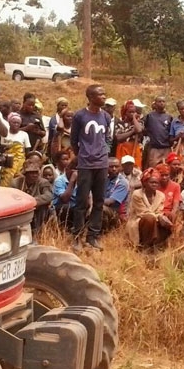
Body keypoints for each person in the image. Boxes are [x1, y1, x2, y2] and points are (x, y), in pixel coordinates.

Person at [69, 84, 112, 251]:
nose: (104, 97)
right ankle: (77, 237)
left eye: (104, 94)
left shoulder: (106, 116)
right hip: (86, 164)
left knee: (99, 202)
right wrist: (83, 154)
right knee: (81, 202)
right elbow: (74, 141)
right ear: (91, 97)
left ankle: (93, 236)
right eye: (100, 94)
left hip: (102, 164)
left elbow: (108, 137)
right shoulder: (80, 116)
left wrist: (104, 152)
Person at [126, 168, 171, 251]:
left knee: (169, 216)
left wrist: (161, 217)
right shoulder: (137, 194)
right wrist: (159, 217)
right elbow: (142, 212)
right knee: (149, 218)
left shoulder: (161, 195)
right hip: (139, 221)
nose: (154, 185)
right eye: (151, 182)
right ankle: (146, 245)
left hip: (154, 219)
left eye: (156, 183)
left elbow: (159, 211)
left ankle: (159, 244)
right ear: (145, 183)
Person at [11, 161, 54, 234]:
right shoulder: (16, 183)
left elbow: (48, 196)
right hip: (20, 209)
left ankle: (38, 233)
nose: (35, 175)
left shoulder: (43, 182)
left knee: (44, 207)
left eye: (36, 172)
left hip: (36, 209)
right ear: (25, 174)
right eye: (32, 173)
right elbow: (11, 198)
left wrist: (31, 201)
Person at [144, 96, 173, 168]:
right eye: (159, 101)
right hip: (154, 149)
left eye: (163, 101)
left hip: (167, 148)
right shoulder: (149, 116)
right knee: (154, 169)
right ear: (155, 104)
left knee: (167, 169)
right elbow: (143, 128)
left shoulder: (169, 117)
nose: (161, 103)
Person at [103, 157, 130, 231]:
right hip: (107, 210)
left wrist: (94, 202)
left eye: (116, 166)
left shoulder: (122, 182)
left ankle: (102, 233)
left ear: (120, 167)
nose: (114, 169)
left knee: (100, 208)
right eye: (111, 167)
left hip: (117, 215)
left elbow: (110, 202)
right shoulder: (105, 179)